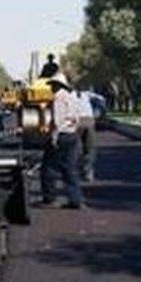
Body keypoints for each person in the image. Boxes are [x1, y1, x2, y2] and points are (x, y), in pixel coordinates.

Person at [39, 71, 83, 209]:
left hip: (61, 135)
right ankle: (75, 200)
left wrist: (53, 137)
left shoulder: (58, 98)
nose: (51, 88)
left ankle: (50, 199)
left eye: (53, 85)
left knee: (48, 168)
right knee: (70, 169)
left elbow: (58, 121)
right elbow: (77, 117)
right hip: (72, 135)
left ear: (57, 85)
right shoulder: (72, 96)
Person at [75, 89, 98, 182]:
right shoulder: (87, 95)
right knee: (86, 148)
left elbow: (100, 99)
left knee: (86, 148)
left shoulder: (86, 94)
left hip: (83, 121)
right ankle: (85, 170)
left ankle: (85, 170)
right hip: (84, 121)